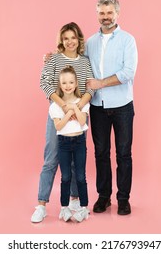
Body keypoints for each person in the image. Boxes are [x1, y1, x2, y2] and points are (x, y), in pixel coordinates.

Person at [31, 22, 94, 223]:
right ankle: (41, 204)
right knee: (51, 159)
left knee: (76, 161)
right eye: (66, 38)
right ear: (61, 40)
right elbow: (45, 83)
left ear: (79, 39)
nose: (70, 41)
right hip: (59, 114)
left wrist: (78, 107)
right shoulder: (54, 60)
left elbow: (90, 87)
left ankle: (74, 200)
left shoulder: (85, 62)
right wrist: (65, 106)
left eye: (73, 37)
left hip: (80, 114)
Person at [86, 0, 138, 215]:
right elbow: (80, 66)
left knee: (124, 153)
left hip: (122, 105)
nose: (105, 17)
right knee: (101, 153)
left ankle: (123, 199)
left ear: (117, 13)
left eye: (109, 13)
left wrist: (101, 83)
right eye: (101, 13)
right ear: (97, 14)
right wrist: (52, 58)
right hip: (97, 106)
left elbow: (128, 73)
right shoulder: (90, 42)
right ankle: (104, 197)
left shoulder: (128, 40)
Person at [49, 66, 90, 222]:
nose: (68, 85)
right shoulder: (55, 106)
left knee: (80, 176)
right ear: (60, 84)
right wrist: (70, 111)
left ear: (76, 83)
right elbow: (58, 126)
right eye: (64, 83)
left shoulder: (82, 102)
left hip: (79, 142)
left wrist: (74, 108)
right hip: (64, 144)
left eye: (71, 82)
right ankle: (64, 208)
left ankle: (84, 208)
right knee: (65, 177)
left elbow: (82, 121)